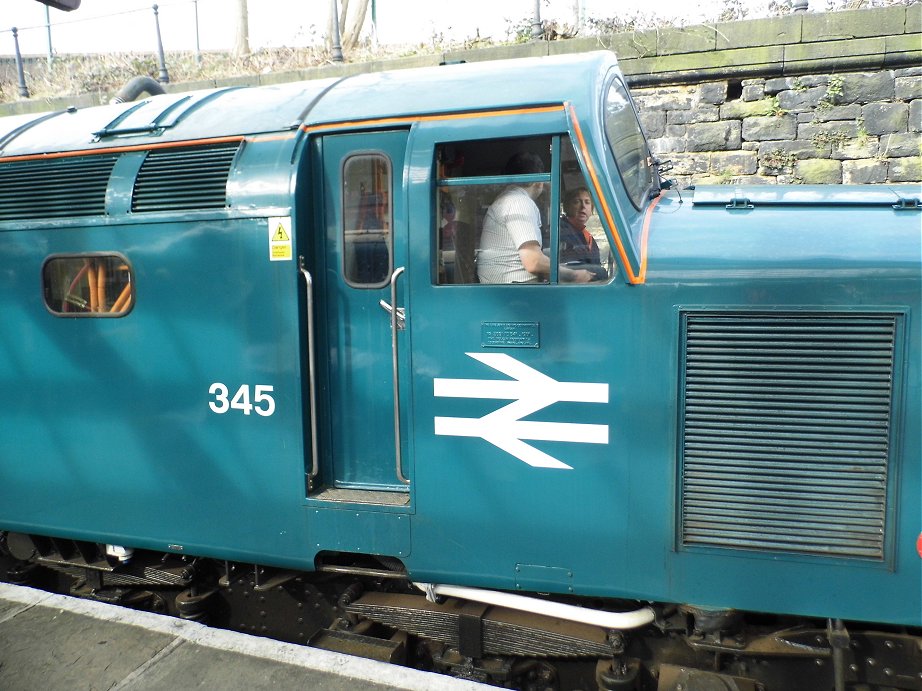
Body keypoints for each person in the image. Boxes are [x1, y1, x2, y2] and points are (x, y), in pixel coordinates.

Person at [476, 152, 592, 284]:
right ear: (538, 182)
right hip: (516, 289)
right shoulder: (519, 202)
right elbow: (533, 261)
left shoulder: (507, 200)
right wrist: (574, 275)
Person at [559, 186, 607, 281]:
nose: (583, 206)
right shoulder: (560, 230)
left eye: (587, 202)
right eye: (577, 202)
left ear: (592, 209)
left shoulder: (587, 236)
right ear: (567, 207)